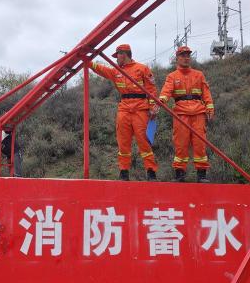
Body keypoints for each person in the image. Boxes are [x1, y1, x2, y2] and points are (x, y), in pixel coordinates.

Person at [89, 44, 158, 181]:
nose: (116, 59)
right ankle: (124, 172)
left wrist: (152, 107)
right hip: (124, 109)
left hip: (141, 109)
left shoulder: (142, 68)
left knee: (144, 141)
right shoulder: (116, 71)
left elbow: (151, 89)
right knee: (123, 142)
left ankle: (151, 172)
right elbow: (102, 70)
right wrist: (89, 63)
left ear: (124, 54)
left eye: (117, 56)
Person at [158, 46, 214, 183]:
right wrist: (161, 100)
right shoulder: (172, 76)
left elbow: (206, 93)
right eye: (183, 55)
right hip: (181, 114)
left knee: (200, 144)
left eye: (188, 55)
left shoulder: (199, 74)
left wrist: (210, 107)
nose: (186, 58)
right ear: (177, 58)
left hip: (198, 113)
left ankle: (201, 175)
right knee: (180, 144)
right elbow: (166, 91)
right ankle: (180, 175)